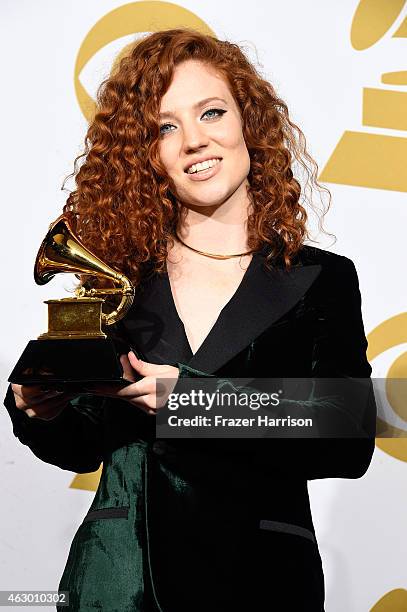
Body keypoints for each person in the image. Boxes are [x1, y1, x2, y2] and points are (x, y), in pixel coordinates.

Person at [5, 29, 376, 611]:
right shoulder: (120, 278)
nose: (194, 141)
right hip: (121, 583)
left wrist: (196, 401)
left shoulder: (322, 278)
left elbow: (349, 436)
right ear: (146, 155)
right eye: (165, 127)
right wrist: (37, 410)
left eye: (212, 112)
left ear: (248, 123)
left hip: (258, 580)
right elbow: (80, 446)